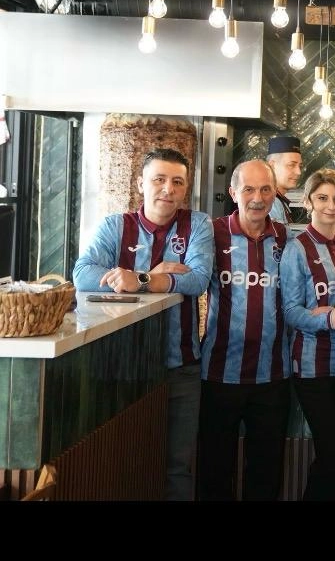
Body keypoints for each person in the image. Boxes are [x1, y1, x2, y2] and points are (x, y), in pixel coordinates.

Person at [72, 147, 213, 501]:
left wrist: (141, 279)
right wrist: (153, 276)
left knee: (177, 467)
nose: (168, 189)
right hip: (123, 368)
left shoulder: (198, 225)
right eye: (159, 179)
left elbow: (198, 279)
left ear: (186, 188)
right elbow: (82, 275)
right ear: (140, 184)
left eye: (177, 182)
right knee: (125, 461)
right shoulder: (115, 226)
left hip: (181, 366)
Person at [198, 159, 291, 501]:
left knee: (266, 472)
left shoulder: (285, 237)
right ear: (233, 192)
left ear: (275, 194)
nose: (258, 198)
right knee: (214, 469)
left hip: (273, 375)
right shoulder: (212, 234)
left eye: (266, 189)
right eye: (249, 189)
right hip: (219, 373)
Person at [279, 168, 335, 500]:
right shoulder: (297, 249)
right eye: (322, 198)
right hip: (314, 368)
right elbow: (291, 312)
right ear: (308, 201)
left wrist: (328, 313)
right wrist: (328, 318)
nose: (331, 206)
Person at [266, 135, 303, 224]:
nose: (299, 172)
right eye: (291, 165)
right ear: (272, 165)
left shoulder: (280, 200)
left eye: (300, 166)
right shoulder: (271, 202)